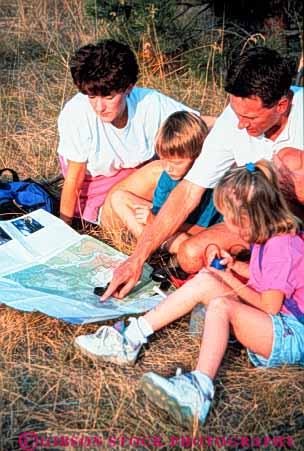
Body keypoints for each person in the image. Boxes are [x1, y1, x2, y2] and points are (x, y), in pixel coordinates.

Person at [75, 160, 304, 425]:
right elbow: (267, 279)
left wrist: (228, 277)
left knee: (221, 305)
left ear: (250, 217)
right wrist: (235, 266)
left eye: (231, 222)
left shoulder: (282, 248)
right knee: (207, 278)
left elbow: (269, 307)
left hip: (291, 335)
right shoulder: (272, 238)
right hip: (277, 327)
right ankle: (131, 337)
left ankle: (199, 390)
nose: (228, 229)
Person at [102, 46, 304, 300]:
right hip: (257, 221)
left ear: (282, 105)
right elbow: (188, 191)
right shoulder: (233, 121)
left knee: (289, 163)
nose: (241, 124)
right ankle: (256, 274)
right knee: (189, 255)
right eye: (237, 113)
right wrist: (137, 259)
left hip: (292, 220)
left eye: (249, 117)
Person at [57, 39, 203, 225]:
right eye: (92, 97)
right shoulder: (76, 113)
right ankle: (176, 236)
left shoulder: (148, 102)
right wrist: (64, 228)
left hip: (138, 189)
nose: (99, 107)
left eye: (109, 97)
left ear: (128, 88)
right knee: (162, 171)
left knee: (182, 165)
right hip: (100, 201)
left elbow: (198, 123)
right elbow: (74, 179)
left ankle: (182, 236)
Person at [111, 111, 222, 254]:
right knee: (119, 197)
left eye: (177, 163)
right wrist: (153, 219)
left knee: (186, 244)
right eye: (164, 160)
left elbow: (203, 230)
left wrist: (154, 220)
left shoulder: (209, 183)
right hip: (169, 225)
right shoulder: (167, 176)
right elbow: (159, 210)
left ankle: (154, 245)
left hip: (197, 235)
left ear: (197, 156)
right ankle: (153, 245)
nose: (168, 168)